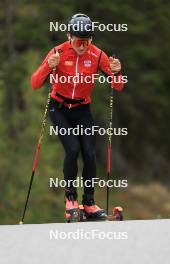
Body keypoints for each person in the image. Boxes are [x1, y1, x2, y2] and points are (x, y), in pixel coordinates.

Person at [31, 14, 124, 222]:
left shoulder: (98, 55)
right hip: (59, 107)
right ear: (69, 36)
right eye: (77, 40)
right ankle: (70, 200)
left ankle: (89, 203)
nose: (82, 46)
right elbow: (35, 83)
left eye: (87, 40)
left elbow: (117, 86)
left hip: (82, 108)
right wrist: (49, 65)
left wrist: (117, 72)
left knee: (90, 153)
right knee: (72, 149)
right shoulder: (58, 52)